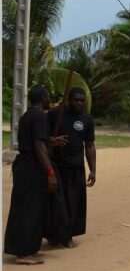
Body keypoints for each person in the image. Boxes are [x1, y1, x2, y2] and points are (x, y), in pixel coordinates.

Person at [4, 84, 59, 264]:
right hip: (32, 167)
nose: (50, 99)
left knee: (32, 208)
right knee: (29, 208)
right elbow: (38, 146)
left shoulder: (28, 115)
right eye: (48, 96)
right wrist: (50, 171)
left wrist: (51, 140)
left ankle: (29, 248)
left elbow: (37, 139)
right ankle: (23, 252)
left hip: (25, 165)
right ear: (43, 98)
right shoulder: (39, 116)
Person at [47, 87, 96, 248]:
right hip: (57, 167)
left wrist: (93, 169)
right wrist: (52, 139)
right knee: (56, 204)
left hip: (76, 168)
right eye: (76, 100)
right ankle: (54, 236)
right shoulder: (55, 114)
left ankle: (67, 236)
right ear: (69, 99)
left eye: (82, 100)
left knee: (73, 204)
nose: (79, 103)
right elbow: (42, 137)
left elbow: (89, 146)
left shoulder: (87, 119)